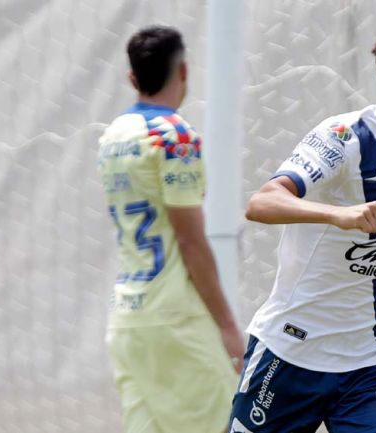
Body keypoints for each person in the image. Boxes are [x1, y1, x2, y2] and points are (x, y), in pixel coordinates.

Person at [229, 19, 376, 433]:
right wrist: (338, 215)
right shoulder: (346, 137)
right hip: (291, 352)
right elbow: (261, 203)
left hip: (370, 359)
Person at [97, 25, 244, 433]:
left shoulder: (112, 137)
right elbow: (189, 239)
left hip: (128, 319)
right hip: (175, 318)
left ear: (132, 78)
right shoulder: (174, 136)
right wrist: (228, 326)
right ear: (183, 70)